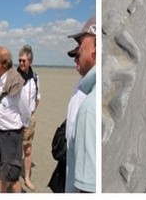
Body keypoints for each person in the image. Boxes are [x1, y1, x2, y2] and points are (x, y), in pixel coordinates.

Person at [0, 46, 30, 193]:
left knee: (12, 177)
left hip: (11, 136)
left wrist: (20, 129)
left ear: (3, 63)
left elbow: (25, 110)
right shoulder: (0, 80)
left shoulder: (15, 82)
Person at [65, 15, 96, 193]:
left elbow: (89, 186)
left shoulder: (90, 105)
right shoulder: (81, 86)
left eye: (81, 44)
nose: (78, 55)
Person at [17, 45, 41, 191]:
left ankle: (27, 178)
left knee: (27, 150)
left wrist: (31, 113)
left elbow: (38, 98)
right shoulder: (14, 76)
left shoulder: (36, 78)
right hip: (14, 119)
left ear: (30, 61)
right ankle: (12, 178)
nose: (21, 63)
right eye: (19, 60)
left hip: (29, 120)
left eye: (24, 61)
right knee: (13, 150)